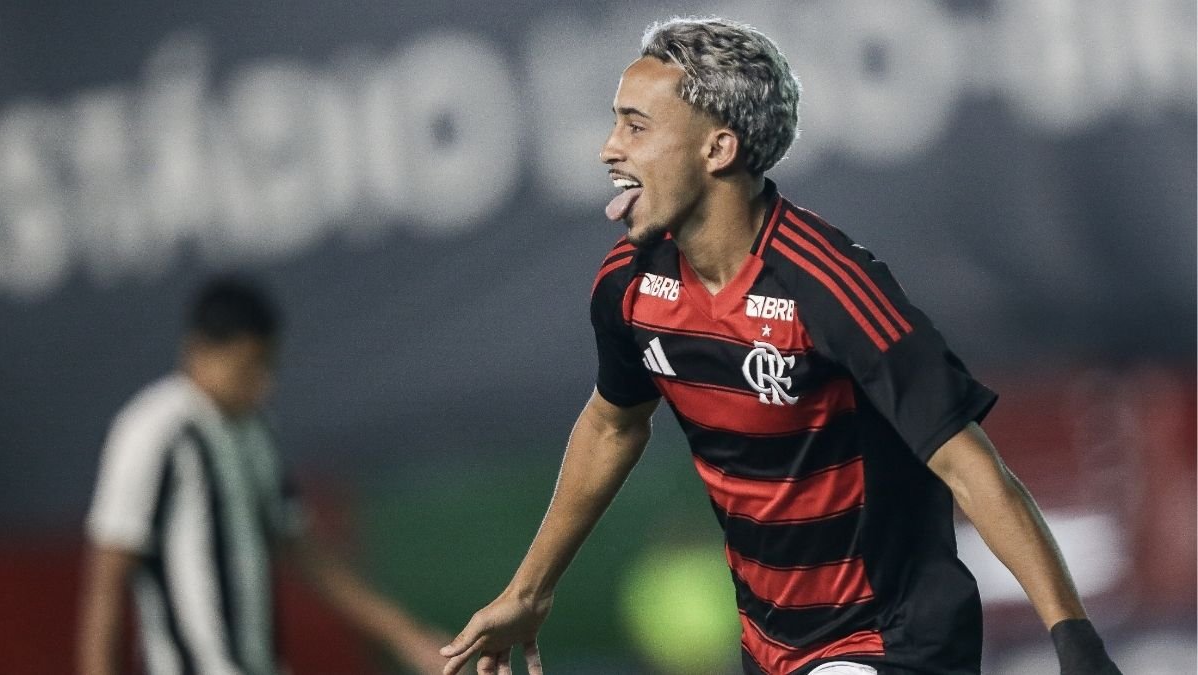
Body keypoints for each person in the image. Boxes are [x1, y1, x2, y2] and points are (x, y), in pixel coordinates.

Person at [439, 16, 1124, 675]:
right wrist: (529, 589)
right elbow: (613, 422)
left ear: (718, 148)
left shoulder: (831, 287)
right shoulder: (630, 284)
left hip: (893, 638)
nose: (609, 147)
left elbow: (970, 465)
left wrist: (1075, 639)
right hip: (773, 649)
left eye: (635, 125)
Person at [78, 276, 447, 675]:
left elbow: (304, 551)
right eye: (246, 367)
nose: (262, 384)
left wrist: (407, 635)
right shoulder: (154, 431)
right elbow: (108, 581)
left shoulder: (255, 430)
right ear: (198, 352)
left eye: (267, 365)